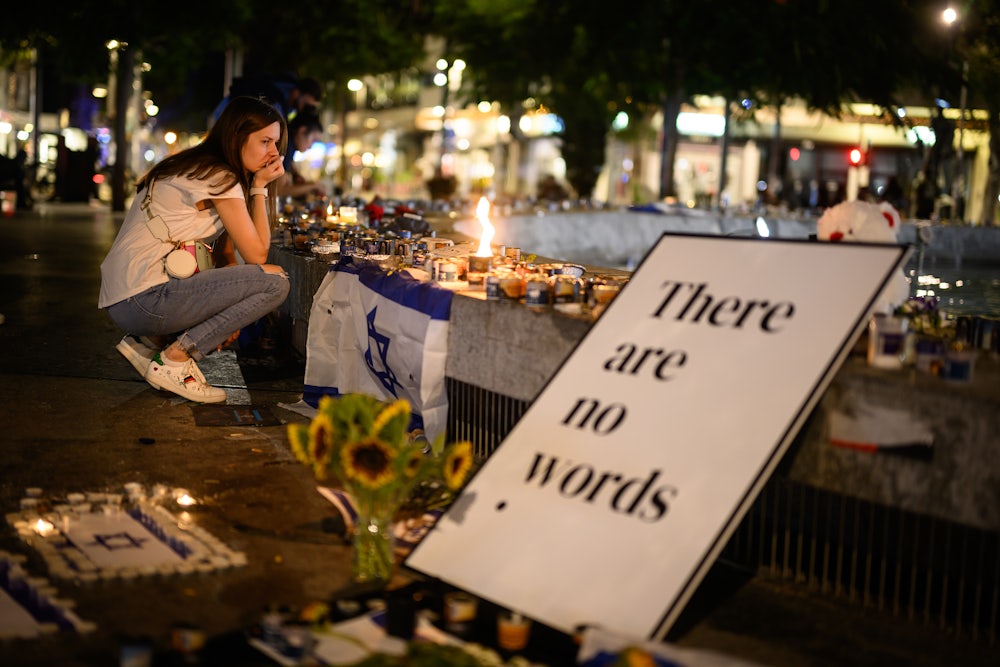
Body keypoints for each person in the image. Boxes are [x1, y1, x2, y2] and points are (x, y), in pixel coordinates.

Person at [98, 96, 291, 403]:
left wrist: (228, 314)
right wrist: (260, 187)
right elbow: (257, 255)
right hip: (145, 299)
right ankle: (175, 359)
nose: (273, 153)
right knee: (277, 283)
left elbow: (228, 257)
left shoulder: (197, 167)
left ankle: (149, 343)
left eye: (276, 144)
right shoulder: (219, 178)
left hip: (126, 299)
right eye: (264, 141)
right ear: (237, 137)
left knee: (258, 281)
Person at [278, 110, 327, 199]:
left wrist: (295, 175)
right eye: (313, 140)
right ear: (302, 131)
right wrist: (314, 186)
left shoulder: (290, 146)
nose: (311, 146)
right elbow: (280, 190)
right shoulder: (286, 145)